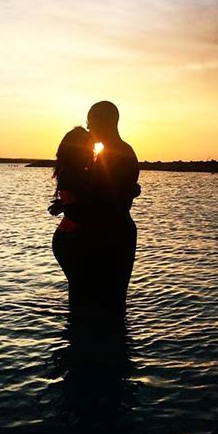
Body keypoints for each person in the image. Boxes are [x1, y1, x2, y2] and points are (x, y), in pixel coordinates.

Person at [85, 101, 140, 316]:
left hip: (112, 234)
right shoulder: (114, 152)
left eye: (91, 123)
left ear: (103, 123)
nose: (89, 128)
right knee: (112, 304)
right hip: (116, 231)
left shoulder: (115, 154)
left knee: (108, 304)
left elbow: (107, 197)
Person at [51, 127, 94, 306]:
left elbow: (78, 201)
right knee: (79, 291)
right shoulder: (69, 172)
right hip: (69, 240)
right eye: (87, 146)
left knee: (80, 290)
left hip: (71, 239)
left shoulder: (75, 171)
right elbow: (84, 205)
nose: (91, 150)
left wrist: (63, 204)